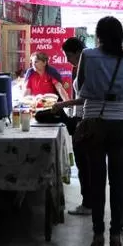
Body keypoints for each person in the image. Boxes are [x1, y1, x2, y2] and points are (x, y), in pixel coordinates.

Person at [75, 17, 123, 246]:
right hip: (121, 121)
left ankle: (98, 235)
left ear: (98, 34)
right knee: (118, 181)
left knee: (97, 181)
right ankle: (116, 237)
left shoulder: (87, 55)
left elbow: (79, 87)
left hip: (94, 121)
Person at [53, 37, 91, 216]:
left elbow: (86, 98)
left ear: (77, 52)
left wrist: (62, 105)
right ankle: (89, 202)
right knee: (84, 164)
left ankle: (88, 203)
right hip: (79, 116)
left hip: (84, 119)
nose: (67, 60)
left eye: (69, 55)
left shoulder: (87, 68)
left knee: (85, 164)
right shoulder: (80, 66)